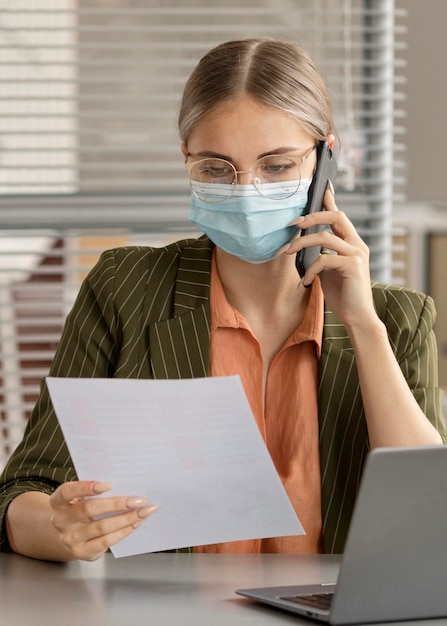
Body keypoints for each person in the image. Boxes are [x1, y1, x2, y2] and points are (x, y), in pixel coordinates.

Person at [0, 38, 445, 563]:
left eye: (277, 166)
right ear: (186, 158)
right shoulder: (126, 287)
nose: (247, 190)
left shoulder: (396, 318)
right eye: (216, 168)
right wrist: (61, 527)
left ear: (326, 157)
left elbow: (430, 519)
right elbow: (22, 492)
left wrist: (362, 324)